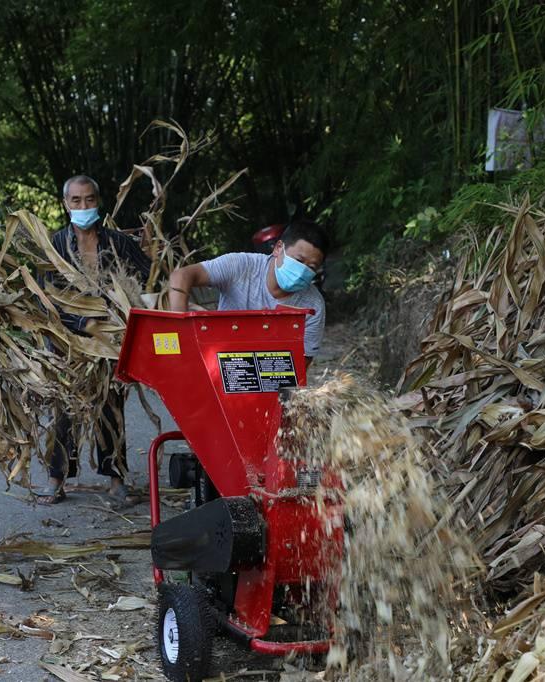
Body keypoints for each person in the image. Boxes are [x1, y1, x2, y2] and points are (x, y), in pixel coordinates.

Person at [35, 174, 151, 507]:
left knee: (110, 406)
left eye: (89, 200)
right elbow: (47, 301)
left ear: (98, 203)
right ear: (65, 204)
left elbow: (146, 278)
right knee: (64, 409)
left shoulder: (118, 243)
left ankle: (116, 478)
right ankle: (56, 479)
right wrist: (81, 321)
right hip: (67, 341)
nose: (83, 206)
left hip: (110, 340)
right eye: (76, 201)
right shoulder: (54, 247)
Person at [168, 220, 328, 366]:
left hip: (271, 375)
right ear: (278, 248)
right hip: (220, 363)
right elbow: (181, 276)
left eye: (311, 267)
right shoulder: (241, 266)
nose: (302, 271)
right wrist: (180, 333)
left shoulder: (313, 305)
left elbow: (303, 360)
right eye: (299, 261)